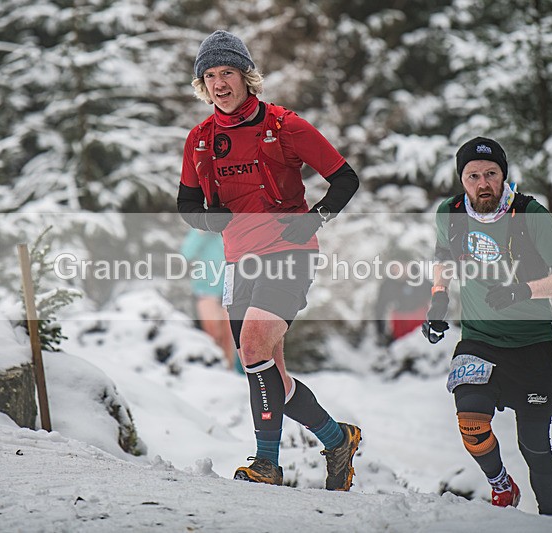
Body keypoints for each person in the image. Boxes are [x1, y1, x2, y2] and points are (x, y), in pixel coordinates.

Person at [177, 30, 361, 490]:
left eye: (228, 73)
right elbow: (185, 206)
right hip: (238, 261)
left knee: (254, 345)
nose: (220, 83)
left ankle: (266, 463)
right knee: (265, 370)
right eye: (211, 75)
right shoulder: (199, 140)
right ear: (203, 84)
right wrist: (207, 221)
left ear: (246, 76)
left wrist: (313, 219)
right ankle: (337, 439)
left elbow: (344, 180)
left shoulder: (285, 126)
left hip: (289, 253)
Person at [422, 137, 552, 516]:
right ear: (462, 180)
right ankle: (501, 486)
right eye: (473, 175)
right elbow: (443, 256)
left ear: (503, 176)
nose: (483, 182)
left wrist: (522, 291)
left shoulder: (530, 214)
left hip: (531, 344)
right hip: (480, 339)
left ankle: (550, 519)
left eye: (491, 174)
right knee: (472, 423)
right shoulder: (450, 213)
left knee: (535, 446)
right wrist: (439, 299)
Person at [180, 228, 242, 373]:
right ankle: (213, 371)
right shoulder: (203, 228)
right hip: (206, 290)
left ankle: (229, 374)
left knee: (230, 337)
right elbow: (186, 253)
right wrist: (201, 230)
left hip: (233, 289)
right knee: (213, 335)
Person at [374, 262, 432, 345]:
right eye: (395, 268)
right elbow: (380, 307)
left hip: (420, 331)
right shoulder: (388, 285)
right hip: (399, 331)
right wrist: (380, 331)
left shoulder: (421, 282)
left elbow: (437, 298)